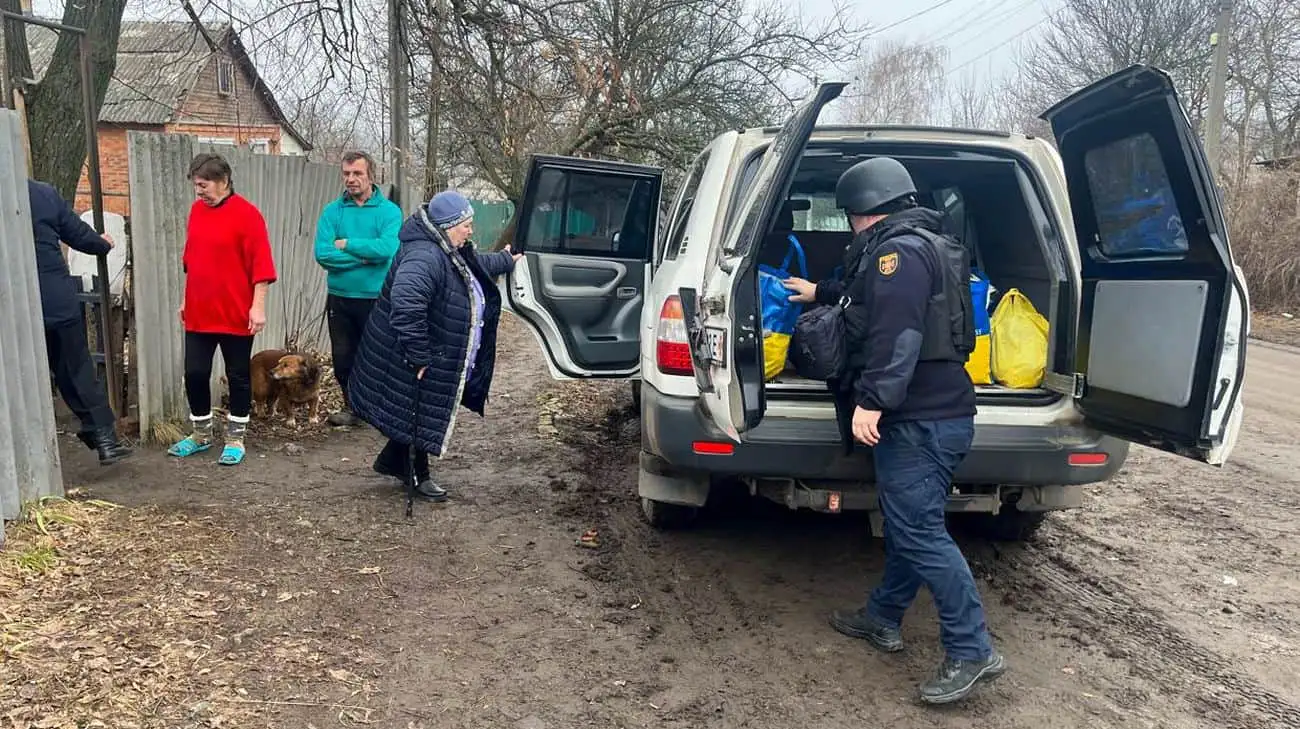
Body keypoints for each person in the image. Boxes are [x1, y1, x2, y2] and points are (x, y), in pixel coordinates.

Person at [783, 157, 1003, 705]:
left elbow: (898, 333)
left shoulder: (895, 253)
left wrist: (872, 403)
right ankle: (882, 616)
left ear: (860, 211)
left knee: (920, 533)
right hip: (940, 414)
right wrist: (822, 292)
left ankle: (972, 649)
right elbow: (871, 306)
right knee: (912, 523)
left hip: (919, 419)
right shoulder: (923, 242)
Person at [348, 190, 520, 502]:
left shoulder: (444, 247)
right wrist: (419, 355)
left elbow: (471, 265)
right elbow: (406, 305)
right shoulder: (424, 256)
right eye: (466, 224)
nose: (470, 230)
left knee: (419, 410)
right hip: (412, 352)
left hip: (426, 350)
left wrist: (505, 260)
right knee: (419, 410)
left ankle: (396, 463)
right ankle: (416, 474)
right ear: (447, 226)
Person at [167, 153, 277, 466]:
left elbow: (262, 266)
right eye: (195, 185)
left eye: (203, 185)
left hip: (235, 313)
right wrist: (187, 300)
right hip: (200, 312)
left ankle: (235, 439)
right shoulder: (197, 211)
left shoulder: (248, 215)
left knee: (238, 375)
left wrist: (258, 306)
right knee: (195, 373)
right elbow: (193, 259)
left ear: (224, 181)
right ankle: (201, 435)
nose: (198, 191)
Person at [27, 179, 132, 465]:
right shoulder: (42, 193)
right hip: (55, 300)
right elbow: (81, 237)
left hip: (17, 305)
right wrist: (103, 243)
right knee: (76, 369)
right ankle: (104, 439)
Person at [312, 151, 403, 427]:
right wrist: (365, 257)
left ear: (370, 175)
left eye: (357, 174)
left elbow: (387, 249)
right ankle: (354, 409)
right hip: (340, 298)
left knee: (376, 355)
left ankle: (378, 408)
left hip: (375, 298)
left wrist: (348, 244)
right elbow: (323, 254)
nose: (351, 179)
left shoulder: (389, 212)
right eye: (347, 174)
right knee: (342, 359)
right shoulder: (333, 211)